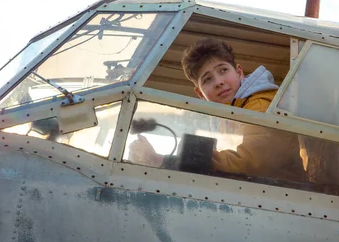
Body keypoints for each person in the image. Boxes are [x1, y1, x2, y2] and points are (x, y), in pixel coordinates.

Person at [128, 37, 305, 182]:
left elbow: (252, 162)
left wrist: (161, 160)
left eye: (223, 70)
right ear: (200, 93)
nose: (219, 81)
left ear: (239, 72)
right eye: (207, 80)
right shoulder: (226, 115)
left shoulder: (258, 106)